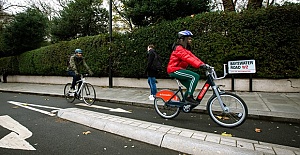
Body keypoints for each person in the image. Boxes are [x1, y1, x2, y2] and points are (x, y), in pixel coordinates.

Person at [167, 30, 209, 106]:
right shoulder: (178, 48)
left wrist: (203, 64)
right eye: (188, 39)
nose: (190, 40)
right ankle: (189, 97)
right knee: (195, 76)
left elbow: (193, 57)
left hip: (179, 69)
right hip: (174, 70)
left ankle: (183, 104)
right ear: (183, 39)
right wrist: (199, 65)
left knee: (190, 86)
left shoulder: (185, 49)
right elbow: (187, 58)